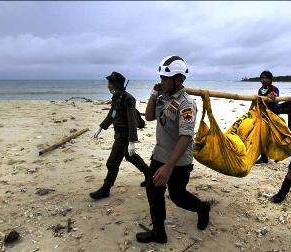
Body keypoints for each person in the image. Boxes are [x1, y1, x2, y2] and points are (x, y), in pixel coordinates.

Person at [136, 56, 211, 244]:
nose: (161, 81)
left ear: (178, 79)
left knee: (177, 196)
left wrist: (168, 167)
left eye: (164, 79)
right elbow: (149, 117)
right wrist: (154, 95)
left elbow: (186, 137)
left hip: (178, 161)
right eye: (160, 78)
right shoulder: (164, 97)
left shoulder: (187, 104)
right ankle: (159, 233)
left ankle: (202, 207)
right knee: (153, 191)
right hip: (160, 154)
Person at [89, 71, 149, 200]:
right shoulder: (117, 97)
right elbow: (112, 114)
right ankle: (150, 176)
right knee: (131, 157)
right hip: (119, 133)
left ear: (115, 84)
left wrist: (132, 141)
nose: (107, 86)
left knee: (112, 162)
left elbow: (132, 120)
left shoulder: (128, 99)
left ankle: (106, 189)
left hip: (125, 135)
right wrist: (101, 127)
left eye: (109, 83)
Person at [255, 70, 280, 164]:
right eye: (262, 78)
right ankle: (264, 157)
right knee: (262, 136)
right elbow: (259, 100)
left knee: (273, 137)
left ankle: (278, 154)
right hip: (262, 115)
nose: (264, 80)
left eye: (266, 78)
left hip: (272, 115)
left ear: (270, 79)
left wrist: (272, 96)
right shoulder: (260, 90)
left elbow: (276, 98)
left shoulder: (274, 89)